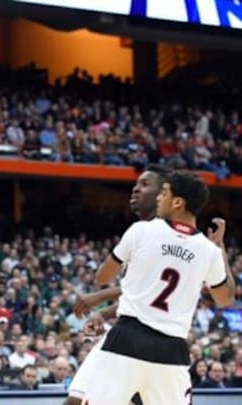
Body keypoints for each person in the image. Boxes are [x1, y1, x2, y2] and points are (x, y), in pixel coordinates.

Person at [83, 171, 236, 404]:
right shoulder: (209, 251)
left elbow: (102, 277)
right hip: (172, 349)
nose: (158, 198)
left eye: (163, 193)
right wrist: (220, 249)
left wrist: (132, 267)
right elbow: (226, 299)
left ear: (177, 202)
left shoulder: (141, 230)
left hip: (126, 339)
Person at [65, 164, 170, 405]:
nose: (135, 190)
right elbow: (140, 294)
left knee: (79, 400)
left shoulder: (161, 234)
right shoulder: (145, 231)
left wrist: (100, 297)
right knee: (77, 399)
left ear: (163, 194)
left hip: (148, 334)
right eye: (136, 184)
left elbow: (152, 286)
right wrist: (105, 313)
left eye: (145, 185)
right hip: (132, 329)